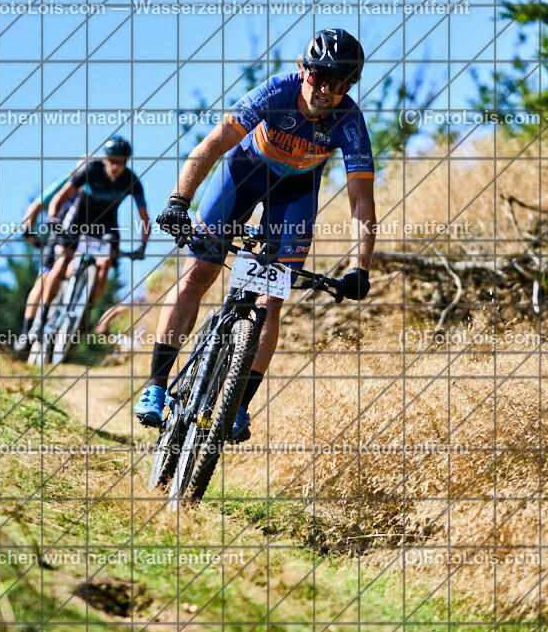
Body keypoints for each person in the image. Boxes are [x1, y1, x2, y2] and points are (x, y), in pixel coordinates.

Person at [134, 29, 377, 443]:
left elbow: (361, 203)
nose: (327, 89)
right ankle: (156, 386)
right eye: (320, 77)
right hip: (242, 175)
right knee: (199, 273)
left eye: (340, 83)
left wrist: (360, 267)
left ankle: (238, 405)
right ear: (303, 70)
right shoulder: (276, 91)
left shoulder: (350, 121)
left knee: (271, 302)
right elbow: (211, 145)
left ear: (351, 85)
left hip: (295, 194)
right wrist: (179, 201)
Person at [16, 136, 150, 352]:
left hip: (106, 226)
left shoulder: (132, 181)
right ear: (105, 159)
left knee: (105, 265)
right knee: (60, 265)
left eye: (121, 162)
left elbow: (144, 218)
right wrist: (53, 218)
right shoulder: (91, 170)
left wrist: (142, 246)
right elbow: (60, 196)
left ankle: (87, 311)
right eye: (112, 160)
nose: (115, 166)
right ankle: (40, 320)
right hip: (79, 219)